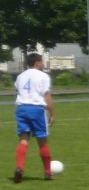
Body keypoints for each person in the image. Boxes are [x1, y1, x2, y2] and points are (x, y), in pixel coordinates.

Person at [13, 52, 57, 183]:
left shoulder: (20, 76)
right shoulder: (43, 76)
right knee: (42, 141)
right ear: (37, 62)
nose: (43, 64)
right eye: (42, 61)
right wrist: (52, 113)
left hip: (21, 109)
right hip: (36, 110)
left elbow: (19, 91)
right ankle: (48, 173)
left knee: (24, 140)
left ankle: (20, 167)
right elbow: (46, 96)